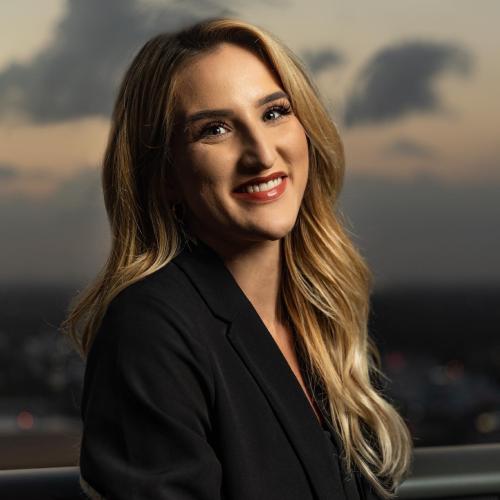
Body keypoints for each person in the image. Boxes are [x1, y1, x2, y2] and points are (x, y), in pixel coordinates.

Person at [61, 16, 413, 500]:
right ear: (165, 176)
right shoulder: (149, 330)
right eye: (216, 129)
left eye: (274, 113)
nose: (262, 154)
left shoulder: (318, 316)